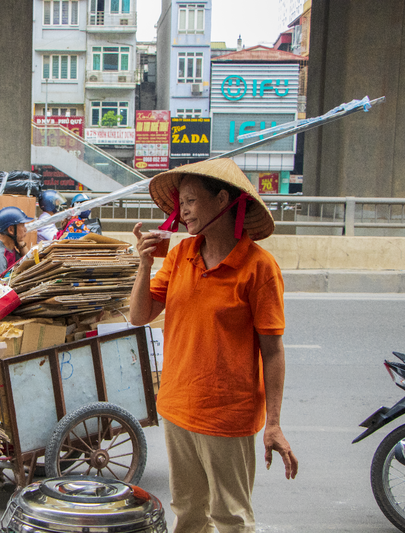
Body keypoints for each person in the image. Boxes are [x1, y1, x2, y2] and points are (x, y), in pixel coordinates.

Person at [129, 159, 298, 533]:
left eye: (190, 200)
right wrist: (143, 264)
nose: (182, 210)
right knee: (188, 514)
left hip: (227, 416)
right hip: (177, 407)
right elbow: (139, 316)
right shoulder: (180, 255)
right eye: (179, 203)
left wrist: (274, 424)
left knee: (231, 518)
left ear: (222, 199)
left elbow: (273, 351)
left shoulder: (259, 267)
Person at [0, 206, 33, 285]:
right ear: (11, 230)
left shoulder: (11, 249)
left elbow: (30, 266)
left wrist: (22, 245)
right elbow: (1, 287)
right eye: (22, 225)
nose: (25, 229)